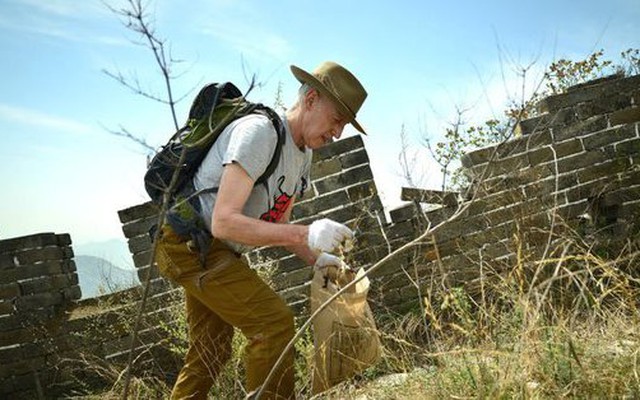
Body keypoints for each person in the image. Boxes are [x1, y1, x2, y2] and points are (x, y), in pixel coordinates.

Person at [155, 61, 368, 399]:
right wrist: (305, 233)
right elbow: (223, 220)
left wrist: (326, 264)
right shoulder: (260, 133)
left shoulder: (303, 155)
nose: (338, 132)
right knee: (273, 325)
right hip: (189, 244)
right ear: (311, 99)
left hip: (216, 249)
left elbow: (278, 224)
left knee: (210, 351)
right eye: (337, 119)